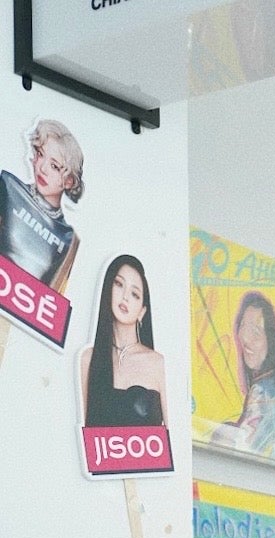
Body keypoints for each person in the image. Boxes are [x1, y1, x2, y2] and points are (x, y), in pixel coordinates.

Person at [79, 254, 166, 429]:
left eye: (135, 294)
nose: (125, 296)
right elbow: (81, 431)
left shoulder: (158, 363)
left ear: (142, 312)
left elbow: (173, 434)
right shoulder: (89, 358)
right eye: (119, 284)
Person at [0, 118, 84, 291]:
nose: (43, 168)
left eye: (54, 166)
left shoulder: (68, 238)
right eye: (40, 154)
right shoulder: (8, 187)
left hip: (22, 305)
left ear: (69, 181)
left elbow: (55, 295)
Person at [210, 290, 275, 453]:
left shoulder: (262, 392)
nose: (246, 339)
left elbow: (244, 449)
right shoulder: (272, 389)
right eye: (243, 327)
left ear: (271, 341)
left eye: (256, 332)